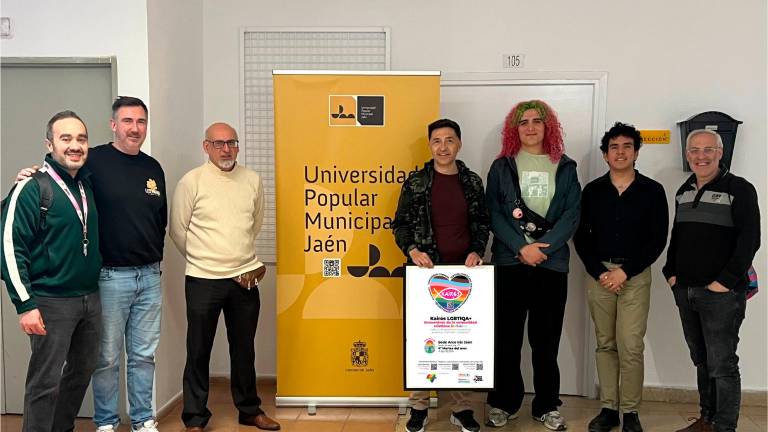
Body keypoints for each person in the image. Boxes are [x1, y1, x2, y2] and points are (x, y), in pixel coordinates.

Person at [15, 96, 166, 432]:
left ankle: (142, 420)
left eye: (141, 121)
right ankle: (107, 423)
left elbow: (160, 220)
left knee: (133, 358)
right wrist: (29, 173)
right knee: (100, 360)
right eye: (127, 120)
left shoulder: (147, 168)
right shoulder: (88, 163)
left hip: (136, 280)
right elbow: (51, 180)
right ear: (113, 124)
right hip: (102, 280)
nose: (135, 128)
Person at [169, 122, 280, 431]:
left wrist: (236, 255)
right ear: (206, 147)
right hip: (203, 279)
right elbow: (178, 231)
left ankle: (249, 411)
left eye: (232, 142)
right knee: (198, 350)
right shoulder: (191, 182)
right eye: (218, 143)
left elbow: (254, 224)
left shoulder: (252, 180)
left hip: (244, 279)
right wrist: (206, 258)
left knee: (244, 349)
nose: (226, 149)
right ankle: (194, 418)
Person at [1, 111, 102, 432]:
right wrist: (25, 304)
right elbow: (8, 246)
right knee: (44, 383)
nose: (75, 145)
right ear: (50, 144)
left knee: (81, 373)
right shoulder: (32, 187)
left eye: (81, 139)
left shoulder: (85, 183)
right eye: (66, 138)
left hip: (90, 299)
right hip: (49, 302)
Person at [484, 100, 581, 431]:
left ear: (547, 127)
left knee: (546, 341)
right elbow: (494, 213)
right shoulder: (502, 167)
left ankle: (546, 405)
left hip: (551, 267)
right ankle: (502, 403)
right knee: (506, 339)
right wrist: (521, 247)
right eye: (522, 122)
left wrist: (545, 247)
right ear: (514, 129)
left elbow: (572, 214)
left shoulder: (565, 166)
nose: (529, 127)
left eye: (536, 121)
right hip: (510, 263)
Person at [392, 118, 490, 432]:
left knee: (460, 342)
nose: (443, 146)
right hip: (425, 273)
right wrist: (412, 250)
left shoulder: (472, 181)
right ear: (430, 145)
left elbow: (481, 223)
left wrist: (477, 250)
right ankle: (419, 406)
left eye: (449, 140)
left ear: (459, 144)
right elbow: (401, 224)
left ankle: (461, 407)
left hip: (464, 274)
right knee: (426, 341)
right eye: (437, 140)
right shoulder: (416, 182)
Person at [663, 129, 760, 432]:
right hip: (686, 290)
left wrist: (726, 281)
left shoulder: (739, 189)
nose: (701, 156)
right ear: (687, 154)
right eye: (695, 150)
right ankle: (707, 419)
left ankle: (724, 426)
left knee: (723, 364)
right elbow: (677, 236)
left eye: (708, 150)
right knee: (702, 360)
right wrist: (670, 272)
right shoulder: (683, 191)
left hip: (722, 294)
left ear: (720, 152)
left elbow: (750, 240)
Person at [574, 122, 668, 432]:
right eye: (614, 147)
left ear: (636, 152)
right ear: (605, 154)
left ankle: (631, 412)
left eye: (627, 146)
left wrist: (625, 272)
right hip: (599, 276)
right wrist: (601, 272)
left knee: (630, 344)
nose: (620, 152)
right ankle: (608, 409)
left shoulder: (652, 191)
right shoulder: (593, 191)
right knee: (606, 343)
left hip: (635, 276)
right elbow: (581, 237)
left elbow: (657, 240)